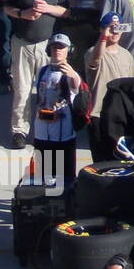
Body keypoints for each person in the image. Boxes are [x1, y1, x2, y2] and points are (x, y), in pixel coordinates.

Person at [5, 0, 68, 147]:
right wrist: (24, 14)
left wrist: (47, 8)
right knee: (22, 89)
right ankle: (19, 131)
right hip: (22, 42)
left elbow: (66, 11)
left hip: (46, 45)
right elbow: (7, 8)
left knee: (48, 89)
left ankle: (46, 127)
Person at [31, 33, 83, 190]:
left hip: (63, 135)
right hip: (41, 132)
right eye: (54, 47)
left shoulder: (70, 74)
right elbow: (40, 100)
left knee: (64, 181)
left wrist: (73, 75)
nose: (57, 51)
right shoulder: (43, 71)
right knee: (43, 177)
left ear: (69, 50)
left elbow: (76, 86)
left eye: (61, 47)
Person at [85, 12, 134, 157]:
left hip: (121, 114)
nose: (115, 32)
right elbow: (95, 59)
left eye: (118, 28)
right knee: (101, 161)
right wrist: (103, 37)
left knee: (121, 160)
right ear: (102, 29)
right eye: (111, 28)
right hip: (99, 114)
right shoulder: (93, 51)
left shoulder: (127, 55)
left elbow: (133, 85)